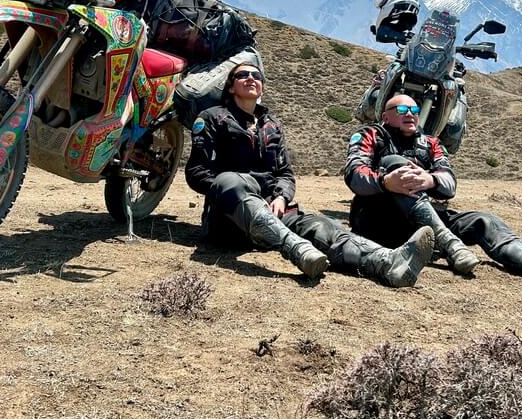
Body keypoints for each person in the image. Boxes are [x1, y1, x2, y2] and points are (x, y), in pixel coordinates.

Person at [185, 64, 435, 286]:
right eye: (243, 75)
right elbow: (197, 172)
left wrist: (281, 197)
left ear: (262, 86)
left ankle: (387, 262)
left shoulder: (272, 126)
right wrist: (233, 189)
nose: (251, 78)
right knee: (230, 180)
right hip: (227, 220)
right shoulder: (212, 118)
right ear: (230, 86)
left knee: (323, 226)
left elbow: (285, 173)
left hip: (275, 212)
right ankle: (295, 248)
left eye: (256, 75)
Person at [344, 94, 522, 285]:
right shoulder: (371, 135)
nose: (410, 113)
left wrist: (430, 181)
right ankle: (450, 244)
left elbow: (449, 183)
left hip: (424, 222)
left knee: (484, 220)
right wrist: (386, 181)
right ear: (385, 115)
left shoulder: (431, 143)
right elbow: (354, 174)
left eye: (413, 108)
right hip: (377, 220)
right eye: (401, 108)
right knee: (394, 164)